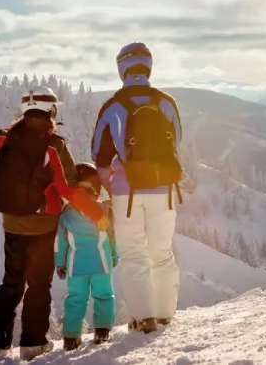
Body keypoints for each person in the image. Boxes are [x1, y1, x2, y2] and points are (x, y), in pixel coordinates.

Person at [0, 87, 105, 361]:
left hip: (12, 224)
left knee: (11, 283)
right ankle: (33, 344)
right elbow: (68, 189)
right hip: (42, 226)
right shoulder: (54, 145)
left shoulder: (7, 137)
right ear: (51, 111)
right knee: (39, 284)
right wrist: (98, 214)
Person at [92, 42, 183, 334]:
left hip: (127, 193)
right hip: (165, 190)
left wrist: (112, 185)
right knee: (162, 252)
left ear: (121, 68)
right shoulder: (166, 102)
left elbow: (99, 154)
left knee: (133, 254)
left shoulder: (113, 106)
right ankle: (165, 314)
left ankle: (144, 318)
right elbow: (176, 143)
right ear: (148, 66)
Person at [55, 163, 117, 350]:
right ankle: (102, 331)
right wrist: (114, 255)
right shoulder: (103, 210)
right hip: (101, 263)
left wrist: (60, 263)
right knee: (104, 296)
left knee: (75, 299)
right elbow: (112, 236)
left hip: (76, 267)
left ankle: (71, 338)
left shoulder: (66, 214)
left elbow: (61, 243)